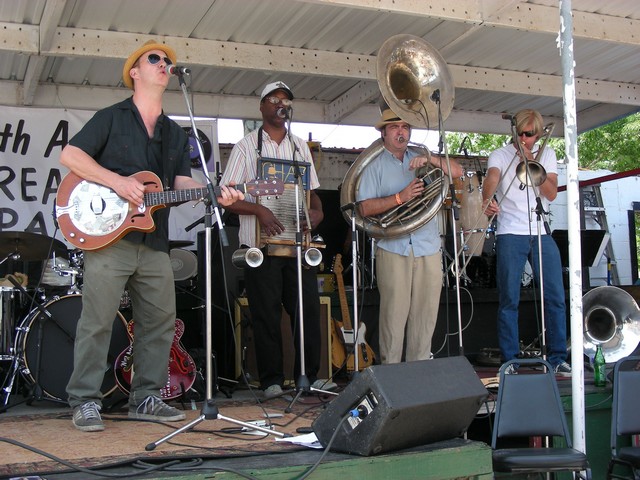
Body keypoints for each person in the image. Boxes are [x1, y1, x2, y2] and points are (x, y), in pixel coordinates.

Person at [62, 40, 242, 432]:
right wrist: (117, 181)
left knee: (160, 322)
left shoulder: (174, 133)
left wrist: (213, 193)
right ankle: (85, 400)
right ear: (135, 72)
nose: (164, 64)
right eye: (155, 59)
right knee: (97, 321)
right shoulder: (111, 117)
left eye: (168, 60)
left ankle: (146, 396)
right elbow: (71, 156)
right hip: (110, 240)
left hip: (155, 241)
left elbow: (179, 183)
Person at [221, 81, 333, 398]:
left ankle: (308, 377)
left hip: (297, 245)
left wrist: (318, 213)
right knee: (266, 315)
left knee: (306, 312)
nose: (280, 104)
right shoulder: (246, 147)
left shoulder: (300, 147)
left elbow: (312, 194)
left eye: (285, 100)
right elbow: (226, 198)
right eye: (274, 99)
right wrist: (259, 210)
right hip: (261, 247)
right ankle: (271, 381)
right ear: (262, 106)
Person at [356, 108, 463, 364]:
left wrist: (430, 159)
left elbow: (457, 171)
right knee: (394, 316)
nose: (401, 132)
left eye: (405, 127)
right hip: (393, 247)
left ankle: (419, 373)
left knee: (425, 316)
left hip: (428, 246)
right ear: (383, 133)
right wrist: (400, 198)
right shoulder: (373, 165)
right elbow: (364, 208)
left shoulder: (422, 157)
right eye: (394, 127)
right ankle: (392, 375)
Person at [482, 108, 571, 376]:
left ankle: (557, 357)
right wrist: (488, 199)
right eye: (520, 133)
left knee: (555, 296)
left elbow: (551, 194)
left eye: (529, 134)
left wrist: (533, 162)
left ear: (538, 134)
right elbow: (491, 179)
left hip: (541, 231)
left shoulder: (548, 154)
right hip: (510, 231)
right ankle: (510, 360)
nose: (524, 139)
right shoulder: (500, 154)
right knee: (509, 298)